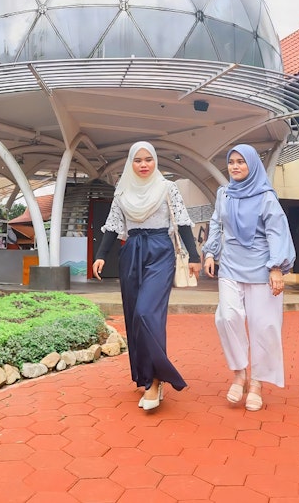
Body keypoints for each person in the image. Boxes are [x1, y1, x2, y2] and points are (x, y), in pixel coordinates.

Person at [92, 141, 201, 411]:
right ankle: (146, 376)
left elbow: (183, 222)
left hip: (160, 251)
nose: (143, 164)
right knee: (134, 316)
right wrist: (101, 254)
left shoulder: (168, 188)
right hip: (131, 251)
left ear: (155, 162)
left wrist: (194, 257)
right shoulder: (123, 190)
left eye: (148, 159)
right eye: (138, 160)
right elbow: (113, 225)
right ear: (131, 163)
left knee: (146, 313)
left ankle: (155, 380)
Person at [203, 144, 296, 411]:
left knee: (264, 325)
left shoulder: (266, 197)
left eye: (241, 162)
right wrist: (210, 253)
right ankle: (239, 372)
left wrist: (276, 267)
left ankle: (256, 383)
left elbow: (277, 231)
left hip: (262, 267)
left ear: (252, 165)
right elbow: (215, 223)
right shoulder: (224, 194)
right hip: (231, 264)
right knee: (226, 316)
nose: (235, 166)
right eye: (231, 161)